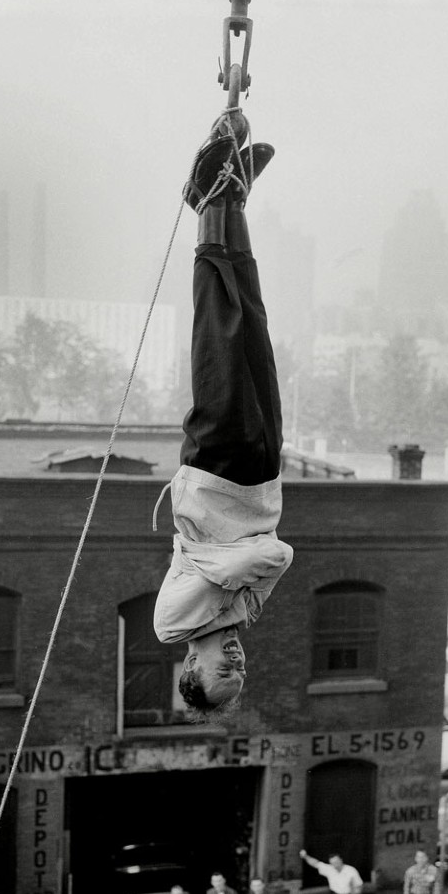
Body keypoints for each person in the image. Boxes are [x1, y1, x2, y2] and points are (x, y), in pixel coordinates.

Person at [153, 130, 293, 719]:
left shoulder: (171, 626)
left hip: (215, 474)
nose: (237, 662)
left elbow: (260, 560)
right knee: (255, 327)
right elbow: (276, 555)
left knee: (220, 330)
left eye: (222, 672)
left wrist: (234, 564)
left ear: (192, 668)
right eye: (242, 671)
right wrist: (225, 565)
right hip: (261, 477)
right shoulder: (242, 614)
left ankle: (210, 201)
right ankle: (234, 203)